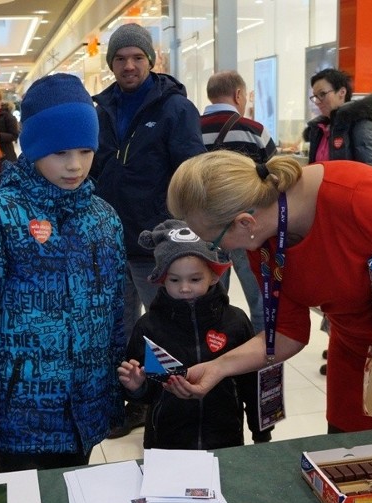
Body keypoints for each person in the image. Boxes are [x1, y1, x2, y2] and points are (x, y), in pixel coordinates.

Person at [163, 151, 372, 433]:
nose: (219, 252)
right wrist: (218, 367)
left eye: (215, 243)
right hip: (358, 342)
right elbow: (287, 333)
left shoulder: (354, 194)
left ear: (244, 222)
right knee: (344, 447)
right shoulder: (261, 239)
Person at [0, 73, 126, 473]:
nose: (75, 165)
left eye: (85, 150)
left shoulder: (104, 219)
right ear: (33, 147)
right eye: (59, 152)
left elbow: (114, 317)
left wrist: (113, 401)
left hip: (87, 413)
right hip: (21, 420)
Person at [91, 23, 206, 438]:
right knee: (117, 326)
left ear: (150, 61)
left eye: (137, 57)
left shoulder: (175, 109)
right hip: (107, 241)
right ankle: (130, 400)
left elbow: (191, 173)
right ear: (111, 64)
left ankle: (169, 399)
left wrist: (182, 231)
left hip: (156, 243)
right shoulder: (100, 108)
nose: (129, 65)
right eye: (120, 58)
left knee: (164, 326)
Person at [118, 220, 271, 448]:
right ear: (161, 279)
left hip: (225, 439)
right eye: (174, 280)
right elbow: (148, 394)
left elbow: (253, 382)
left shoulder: (236, 322)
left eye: (195, 279)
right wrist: (136, 387)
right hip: (167, 443)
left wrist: (262, 433)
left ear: (215, 276)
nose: (185, 288)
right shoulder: (149, 327)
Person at [201, 69, 277, 334]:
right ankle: (262, 359)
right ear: (238, 94)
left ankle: (214, 355)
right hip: (250, 230)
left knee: (209, 300)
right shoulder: (255, 131)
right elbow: (276, 178)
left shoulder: (192, 129)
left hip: (207, 230)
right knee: (259, 301)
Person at [304, 68, 372, 168]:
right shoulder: (319, 129)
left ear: (342, 92)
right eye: (315, 96)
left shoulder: (361, 124)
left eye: (322, 94)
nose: (317, 101)